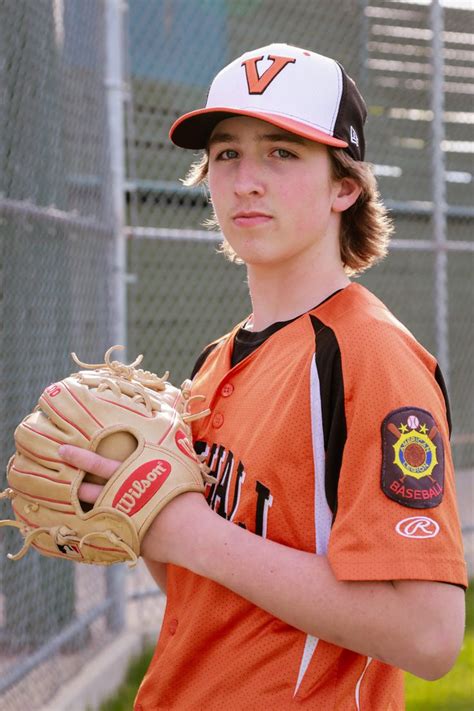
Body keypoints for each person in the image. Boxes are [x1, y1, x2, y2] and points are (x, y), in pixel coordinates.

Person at [60, 44, 467, 710]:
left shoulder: (368, 355)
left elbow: (429, 633)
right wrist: (137, 507)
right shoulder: (211, 363)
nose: (246, 179)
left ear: (345, 185)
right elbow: (210, 592)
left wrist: (191, 531)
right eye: (227, 154)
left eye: (282, 152)